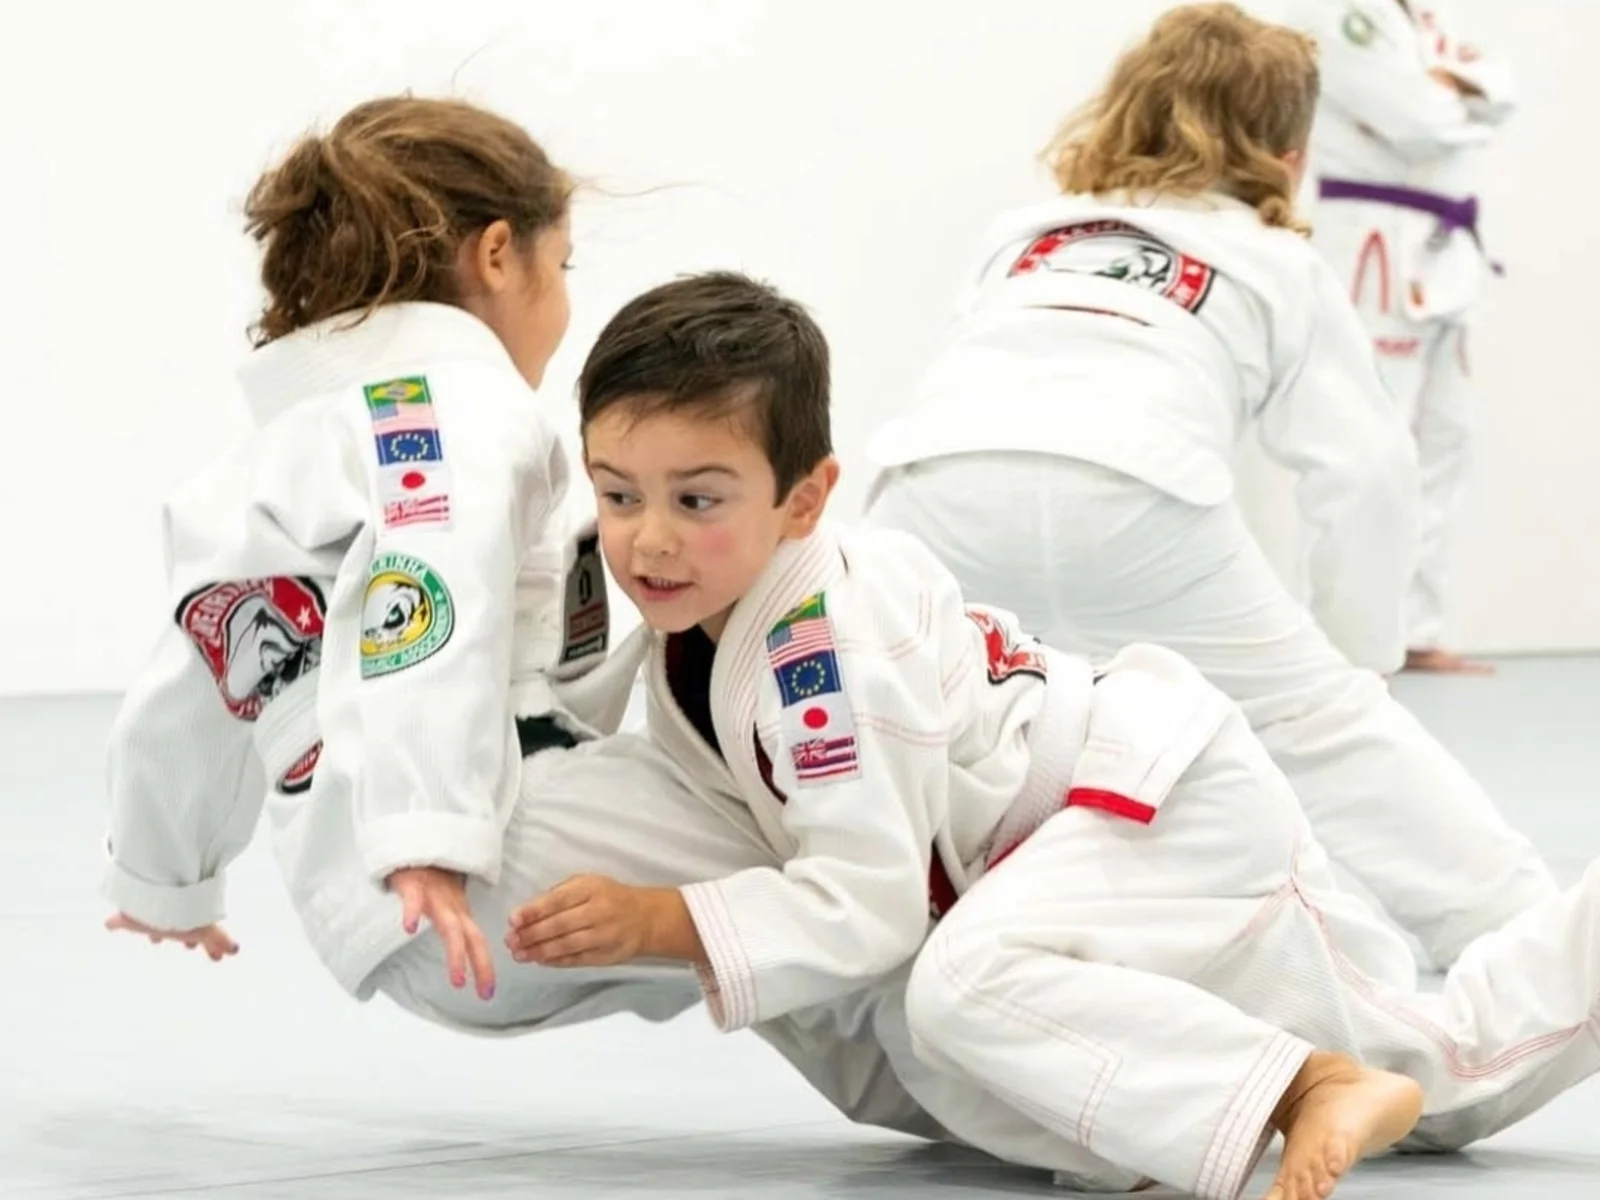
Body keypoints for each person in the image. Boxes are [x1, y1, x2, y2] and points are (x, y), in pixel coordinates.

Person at [506, 267, 1600, 1200]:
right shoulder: (700, 603)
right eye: (617, 494)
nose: (646, 539)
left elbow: (867, 902)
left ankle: (1306, 1084)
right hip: (1076, 850)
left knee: (961, 994)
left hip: (1151, 809)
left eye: (697, 500)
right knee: (1436, 1075)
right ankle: (1311, 1083)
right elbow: (573, 697)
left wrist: (666, 919)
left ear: (806, 498)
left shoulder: (821, 661)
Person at [94, 96, 977, 1149]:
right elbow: (428, 603)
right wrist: (425, 834)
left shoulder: (243, 478)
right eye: (563, 268)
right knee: (846, 893)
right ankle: (1054, 1086)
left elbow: (187, 694)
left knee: (784, 970)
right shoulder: (450, 411)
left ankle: (961, 1107)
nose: (562, 307)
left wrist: (166, 876)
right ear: (500, 256)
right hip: (483, 847)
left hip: (369, 911)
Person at [855, 2, 1552, 969]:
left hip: (933, 494)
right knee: (1325, 729)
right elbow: (1368, 470)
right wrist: (1359, 662)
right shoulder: (1277, 259)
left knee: (926, 716)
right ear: (1286, 145)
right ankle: (1533, 938)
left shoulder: (1021, 234)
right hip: (1137, 492)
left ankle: (865, 915)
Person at [1283, 0, 1515, 672]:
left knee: (1449, 434)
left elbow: (1503, 85)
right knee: (1366, 437)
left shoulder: (1421, 18)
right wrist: (1458, 98)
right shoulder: (1343, 12)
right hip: (1373, 241)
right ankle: (1333, 633)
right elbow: (1417, 120)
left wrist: (1460, 92)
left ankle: (1415, 629)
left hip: (1445, 248)